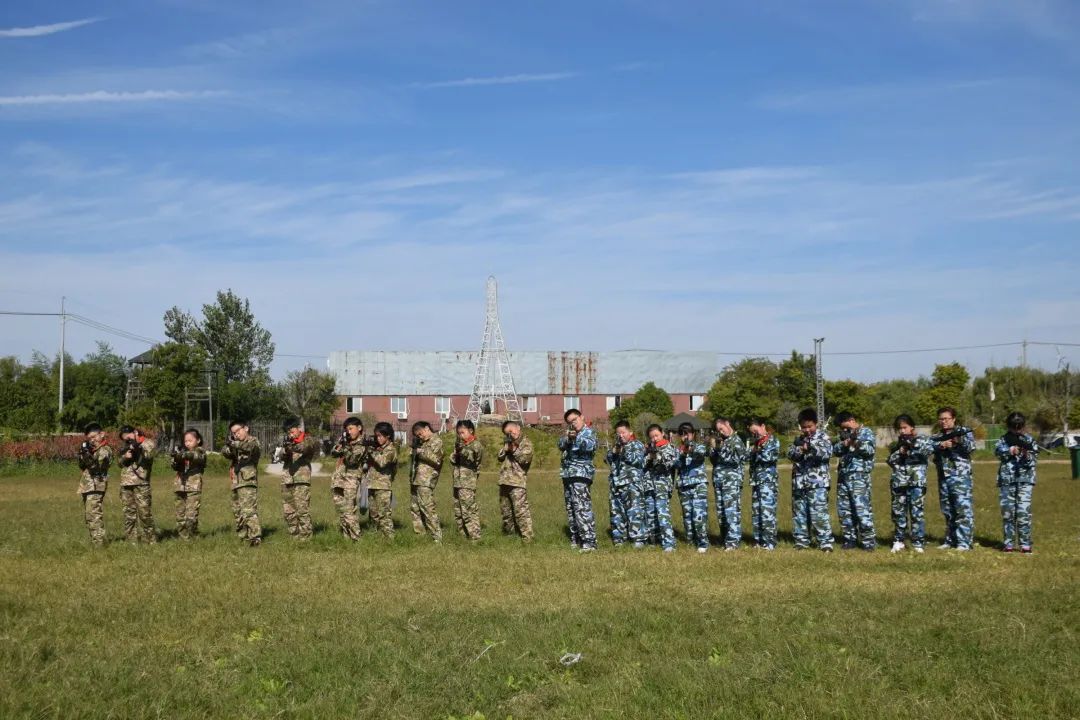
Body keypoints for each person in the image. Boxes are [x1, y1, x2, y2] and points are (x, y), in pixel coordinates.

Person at [787, 408, 834, 551]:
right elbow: (789, 453)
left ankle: (825, 542)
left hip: (818, 483)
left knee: (819, 514)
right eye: (804, 427)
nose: (807, 430)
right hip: (800, 483)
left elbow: (826, 453)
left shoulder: (823, 438)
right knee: (800, 514)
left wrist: (811, 448)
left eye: (810, 426)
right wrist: (800, 449)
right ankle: (801, 541)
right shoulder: (799, 440)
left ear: (816, 424)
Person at [886, 414, 933, 553]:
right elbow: (890, 460)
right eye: (899, 429)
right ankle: (899, 540)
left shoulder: (922, 440)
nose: (902, 431)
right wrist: (900, 451)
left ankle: (918, 542)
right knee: (898, 512)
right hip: (899, 482)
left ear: (912, 427)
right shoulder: (897, 443)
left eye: (904, 427)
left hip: (916, 482)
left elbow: (928, 451)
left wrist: (912, 445)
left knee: (916, 512)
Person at [994, 411, 1040, 553]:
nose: (1016, 429)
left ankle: (1025, 544)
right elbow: (997, 452)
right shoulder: (1004, 439)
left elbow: (1034, 459)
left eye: (1019, 426)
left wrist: (1026, 454)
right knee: (1008, 513)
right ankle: (1008, 544)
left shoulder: (1029, 441)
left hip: (1025, 481)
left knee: (1023, 513)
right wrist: (1010, 450)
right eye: (1014, 426)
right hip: (1007, 481)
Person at [931, 407, 976, 551]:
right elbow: (928, 448)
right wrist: (941, 445)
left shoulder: (964, 432)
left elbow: (971, 447)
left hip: (960, 476)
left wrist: (958, 441)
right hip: (943, 477)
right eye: (941, 419)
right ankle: (950, 540)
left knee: (962, 509)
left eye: (947, 419)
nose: (944, 422)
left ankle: (964, 542)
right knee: (948, 510)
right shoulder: (937, 435)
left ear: (954, 419)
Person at [832, 411, 877, 551]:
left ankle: (868, 541)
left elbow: (870, 450)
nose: (845, 430)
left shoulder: (866, 432)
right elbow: (836, 450)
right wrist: (845, 443)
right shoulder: (844, 435)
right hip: (843, 476)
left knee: (861, 509)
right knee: (844, 510)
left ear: (852, 420)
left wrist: (855, 442)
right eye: (842, 428)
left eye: (847, 427)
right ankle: (849, 539)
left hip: (859, 477)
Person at [558, 409, 598, 552]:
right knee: (571, 508)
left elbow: (589, 446)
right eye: (569, 422)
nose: (573, 424)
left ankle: (589, 541)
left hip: (581, 474)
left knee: (582, 508)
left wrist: (576, 438)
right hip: (568, 475)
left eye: (574, 420)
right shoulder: (569, 434)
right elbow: (560, 445)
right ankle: (576, 538)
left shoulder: (589, 432)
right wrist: (568, 438)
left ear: (582, 417)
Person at [603, 420, 646, 546]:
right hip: (616, 484)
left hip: (632, 484)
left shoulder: (636, 444)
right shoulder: (616, 446)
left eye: (623, 432)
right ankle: (619, 538)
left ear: (630, 432)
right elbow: (607, 459)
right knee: (617, 512)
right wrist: (614, 451)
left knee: (635, 511)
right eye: (618, 433)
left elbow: (637, 460)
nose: (621, 435)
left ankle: (638, 539)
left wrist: (623, 450)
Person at [221, 420, 263, 546]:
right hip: (235, 481)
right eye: (233, 433)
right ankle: (242, 536)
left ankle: (255, 537)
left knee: (248, 510)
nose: (236, 434)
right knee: (237, 511)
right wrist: (229, 445)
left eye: (238, 431)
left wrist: (234, 444)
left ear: (246, 428)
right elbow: (225, 452)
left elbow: (250, 448)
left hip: (247, 480)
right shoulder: (235, 445)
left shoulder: (253, 441)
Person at [709, 417, 747, 551]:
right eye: (718, 430)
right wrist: (713, 449)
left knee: (731, 512)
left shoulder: (736, 441)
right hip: (719, 480)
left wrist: (720, 450)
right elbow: (713, 460)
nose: (721, 432)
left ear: (728, 424)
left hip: (731, 481)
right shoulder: (721, 441)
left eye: (722, 428)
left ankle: (733, 542)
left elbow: (736, 460)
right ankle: (725, 539)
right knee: (721, 513)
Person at [328, 416, 369, 541]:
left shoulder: (363, 443)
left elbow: (352, 460)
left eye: (351, 429)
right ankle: (347, 537)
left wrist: (345, 446)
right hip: (338, 478)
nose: (349, 432)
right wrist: (339, 444)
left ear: (359, 428)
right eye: (347, 429)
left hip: (351, 479)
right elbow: (333, 453)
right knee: (341, 510)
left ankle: (357, 538)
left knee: (349, 509)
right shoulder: (346, 441)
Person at [279, 418, 319, 540]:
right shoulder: (288, 443)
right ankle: (294, 535)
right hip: (287, 479)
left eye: (292, 432)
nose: (290, 435)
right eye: (288, 433)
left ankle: (306, 537)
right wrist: (285, 449)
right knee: (288, 511)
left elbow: (305, 448)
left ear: (298, 428)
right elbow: (281, 456)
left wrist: (291, 447)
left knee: (302, 510)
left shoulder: (308, 439)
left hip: (301, 479)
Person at [118, 425, 157, 544]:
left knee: (145, 514)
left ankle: (150, 540)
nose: (127, 440)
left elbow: (149, 455)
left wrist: (137, 447)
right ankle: (132, 541)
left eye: (128, 437)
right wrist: (125, 456)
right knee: (129, 514)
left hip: (141, 484)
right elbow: (119, 463)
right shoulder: (125, 446)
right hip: (126, 484)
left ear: (135, 432)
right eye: (125, 439)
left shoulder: (148, 442)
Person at [746, 417, 780, 550]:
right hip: (756, 481)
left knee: (767, 512)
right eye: (752, 433)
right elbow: (746, 456)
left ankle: (769, 542)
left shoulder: (772, 441)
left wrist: (757, 449)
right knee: (757, 512)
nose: (755, 434)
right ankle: (758, 540)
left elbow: (768, 457)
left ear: (763, 426)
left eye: (756, 431)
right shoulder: (756, 443)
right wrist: (755, 447)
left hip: (768, 482)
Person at [676, 422, 710, 553]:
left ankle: (703, 543)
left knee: (699, 515)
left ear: (693, 434)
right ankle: (691, 541)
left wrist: (690, 446)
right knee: (687, 516)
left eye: (687, 434)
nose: (684, 437)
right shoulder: (678, 450)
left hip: (698, 485)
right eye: (682, 434)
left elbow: (703, 453)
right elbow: (676, 464)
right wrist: (682, 454)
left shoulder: (699, 446)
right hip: (684, 485)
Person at [77, 423, 113, 547]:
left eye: (94, 437)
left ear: (102, 434)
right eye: (90, 438)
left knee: (94, 515)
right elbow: (82, 466)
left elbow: (96, 468)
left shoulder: (105, 449)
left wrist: (87, 455)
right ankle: (96, 542)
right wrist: (82, 455)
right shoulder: (93, 450)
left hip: (97, 485)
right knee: (89, 516)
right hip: (88, 486)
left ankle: (100, 544)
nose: (92, 440)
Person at [497, 420, 534, 542]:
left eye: (511, 432)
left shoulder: (526, 443)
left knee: (521, 512)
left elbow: (525, 460)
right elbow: (500, 457)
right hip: (504, 481)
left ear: (518, 428)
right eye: (507, 433)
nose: (510, 435)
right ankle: (510, 536)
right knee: (506, 512)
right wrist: (506, 448)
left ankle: (527, 537)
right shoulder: (508, 443)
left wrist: (514, 450)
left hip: (517, 482)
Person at [643, 424, 677, 552]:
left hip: (662, 485)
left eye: (656, 435)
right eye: (652, 437)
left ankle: (669, 543)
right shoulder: (648, 449)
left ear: (662, 433)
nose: (655, 439)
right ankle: (654, 540)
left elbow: (669, 463)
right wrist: (648, 455)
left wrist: (656, 456)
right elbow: (641, 465)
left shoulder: (669, 447)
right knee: (650, 514)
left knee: (663, 514)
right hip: (649, 485)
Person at [449, 419, 484, 541]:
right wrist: (456, 452)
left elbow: (473, 459)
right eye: (458, 433)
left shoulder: (476, 444)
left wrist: (461, 451)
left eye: (462, 432)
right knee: (458, 511)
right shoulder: (459, 445)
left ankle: (475, 537)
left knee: (469, 510)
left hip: (467, 483)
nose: (460, 435)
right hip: (457, 482)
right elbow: (452, 459)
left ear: (471, 431)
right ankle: (463, 535)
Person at [409, 421, 444, 542]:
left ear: (427, 428)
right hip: (416, 479)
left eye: (420, 433)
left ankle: (437, 537)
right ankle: (420, 534)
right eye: (417, 436)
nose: (420, 436)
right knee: (415, 508)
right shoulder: (422, 443)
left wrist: (421, 452)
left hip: (426, 480)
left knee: (428, 508)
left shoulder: (437, 441)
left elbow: (437, 460)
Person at [170, 428, 207, 541]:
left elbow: (195, 457)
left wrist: (183, 455)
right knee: (180, 515)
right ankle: (183, 538)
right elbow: (174, 466)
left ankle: (193, 536)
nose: (187, 443)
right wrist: (175, 458)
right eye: (185, 441)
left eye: (190, 440)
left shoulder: (200, 451)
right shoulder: (182, 452)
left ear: (198, 440)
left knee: (191, 515)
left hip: (193, 486)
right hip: (179, 485)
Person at [365, 422, 398, 539]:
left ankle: (389, 538)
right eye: (376, 436)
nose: (377, 439)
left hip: (383, 486)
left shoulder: (391, 449)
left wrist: (371, 451)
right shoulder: (378, 448)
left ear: (387, 435)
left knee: (384, 514)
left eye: (380, 436)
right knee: (373, 514)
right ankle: (375, 535)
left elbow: (382, 462)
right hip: (371, 484)